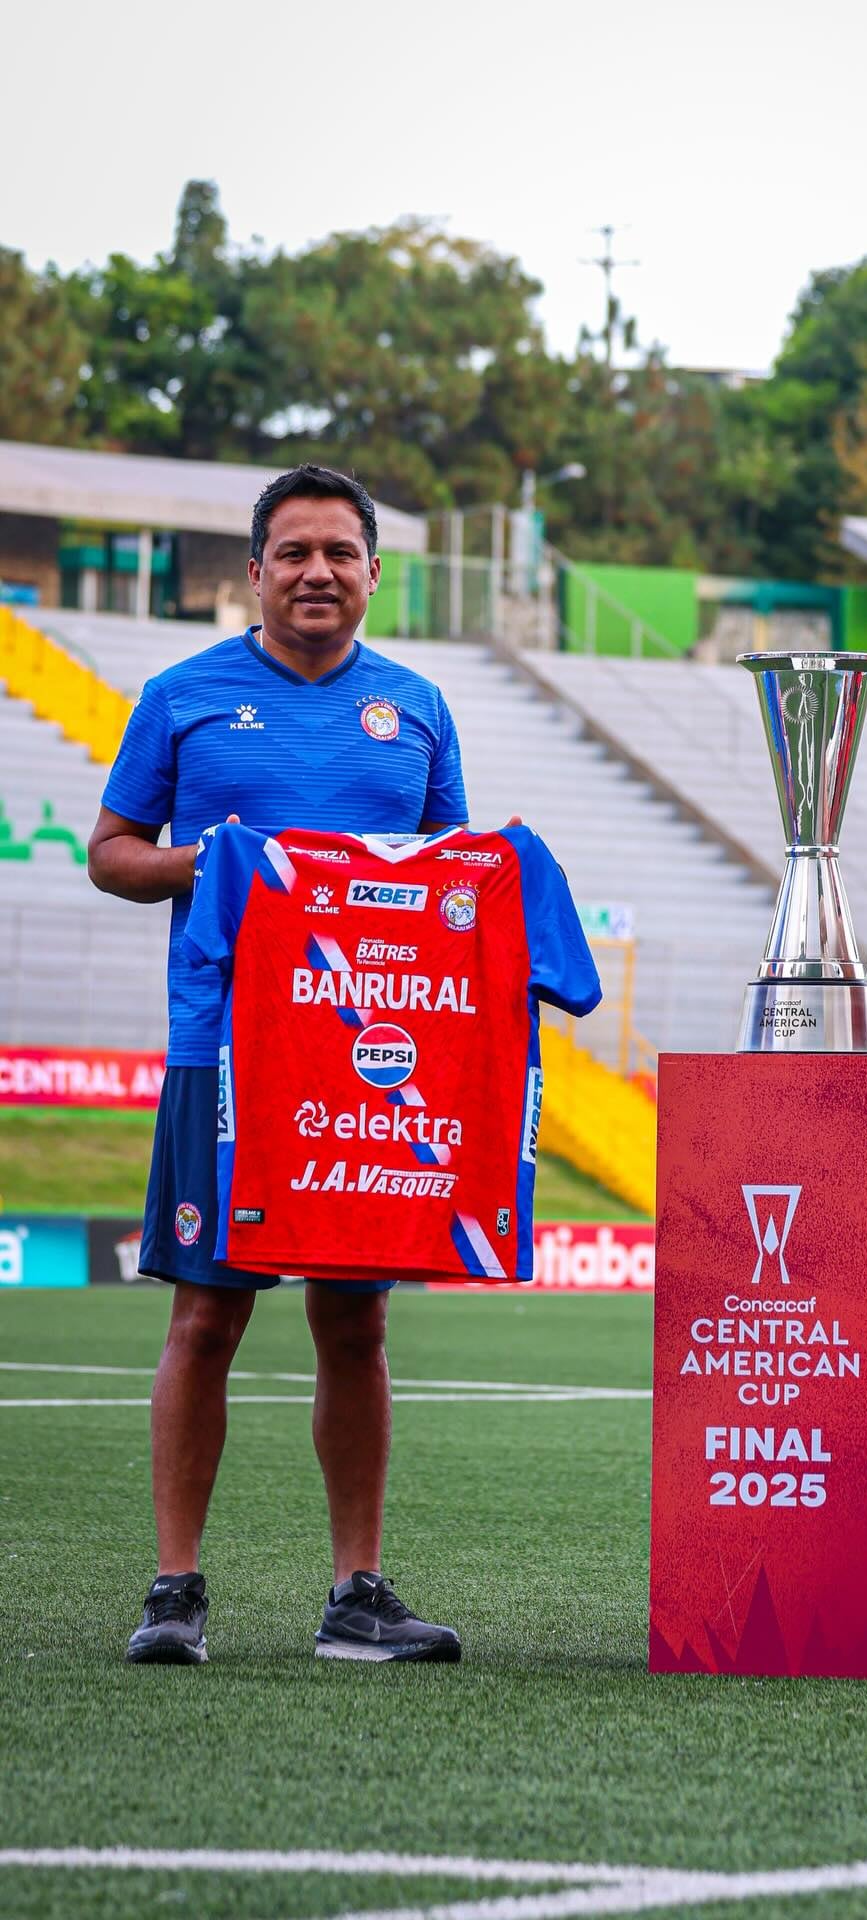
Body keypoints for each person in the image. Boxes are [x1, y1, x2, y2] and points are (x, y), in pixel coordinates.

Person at [90, 464, 483, 1665]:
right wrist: (211, 862)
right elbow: (110, 854)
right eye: (295, 552)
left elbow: (455, 877)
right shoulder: (181, 694)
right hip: (228, 1058)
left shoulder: (416, 707)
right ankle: (174, 1590)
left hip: (366, 1067)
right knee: (206, 1320)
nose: (319, 572)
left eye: (341, 554)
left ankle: (356, 1594)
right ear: (255, 572)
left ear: (373, 572)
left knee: (354, 1325)